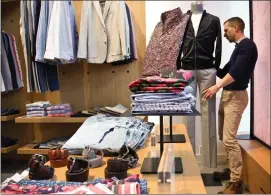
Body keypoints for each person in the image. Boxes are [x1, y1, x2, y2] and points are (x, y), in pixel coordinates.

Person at [202, 17, 258, 194]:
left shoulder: (247, 46)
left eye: (226, 30)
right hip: (228, 96)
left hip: (236, 97)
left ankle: (236, 182)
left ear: (236, 28)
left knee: (229, 138)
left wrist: (217, 86)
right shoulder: (238, 49)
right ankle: (231, 170)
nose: (224, 34)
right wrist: (207, 61)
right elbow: (225, 71)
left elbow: (236, 73)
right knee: (223, 136)